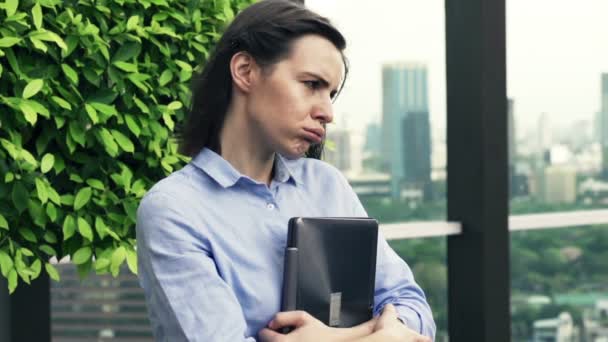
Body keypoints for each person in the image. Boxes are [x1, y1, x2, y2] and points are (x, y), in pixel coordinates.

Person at [135, 0, 436, 341]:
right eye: (311, 84)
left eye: (331, 94)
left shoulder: (326, 185)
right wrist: (380, 335)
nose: (327, 111)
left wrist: (333, 338)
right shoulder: (175, 210)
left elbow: (411, 305)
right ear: (246, 71)